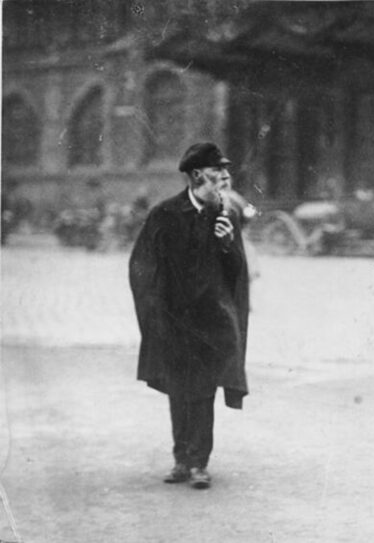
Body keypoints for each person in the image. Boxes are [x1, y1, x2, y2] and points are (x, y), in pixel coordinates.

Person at [129, 142, 250, 490]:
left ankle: (199, 462)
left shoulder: (226, 215)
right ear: (198, 175)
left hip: (210, 322)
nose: (226, 179)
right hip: (172, 320)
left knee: (203, 393)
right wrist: (153, 309)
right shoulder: (164, 215)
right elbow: (141, 264)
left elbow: (236, 274)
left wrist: (228, 246)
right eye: (218, 174)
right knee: (179, 392)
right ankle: (181, 459)